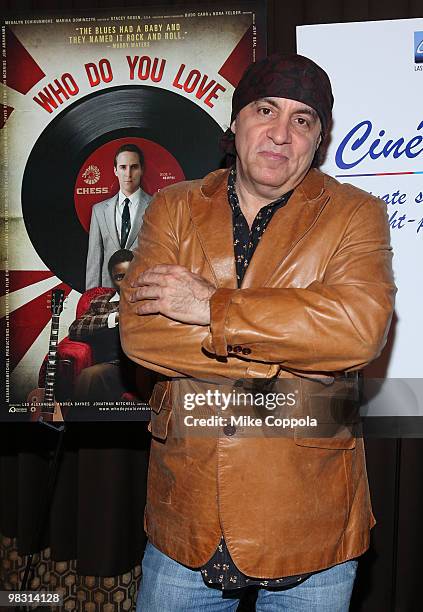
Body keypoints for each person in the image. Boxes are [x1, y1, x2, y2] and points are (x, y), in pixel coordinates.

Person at [119, 53, 396, 611]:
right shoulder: (172, 208)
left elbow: (357, 332)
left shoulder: (355, 214)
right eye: (266, 110)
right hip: (186, 521)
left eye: (303, 120)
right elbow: (141, 335)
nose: (280, 133)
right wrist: (291, 342)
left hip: (309, 519)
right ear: (237, 120)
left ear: (318, 140)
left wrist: (210, 308)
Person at [71, 249, 138, 401]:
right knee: (88, 376)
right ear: (112, 279)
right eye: (120, 277)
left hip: (149, 367)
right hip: (114, 367)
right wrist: (114, 318)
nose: (127, 282)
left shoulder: (153, 297)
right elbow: (76, 329)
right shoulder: (100, 302)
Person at [85, 143, 152, 289]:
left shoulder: (156, 206)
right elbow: (94, 261)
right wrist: (91, 300)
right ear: (115, 170)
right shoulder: (99, 210)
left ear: (142, 170)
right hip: (108, 292)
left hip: (144, 291)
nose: (128, 174)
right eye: (123, 167)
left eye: (134, 167)